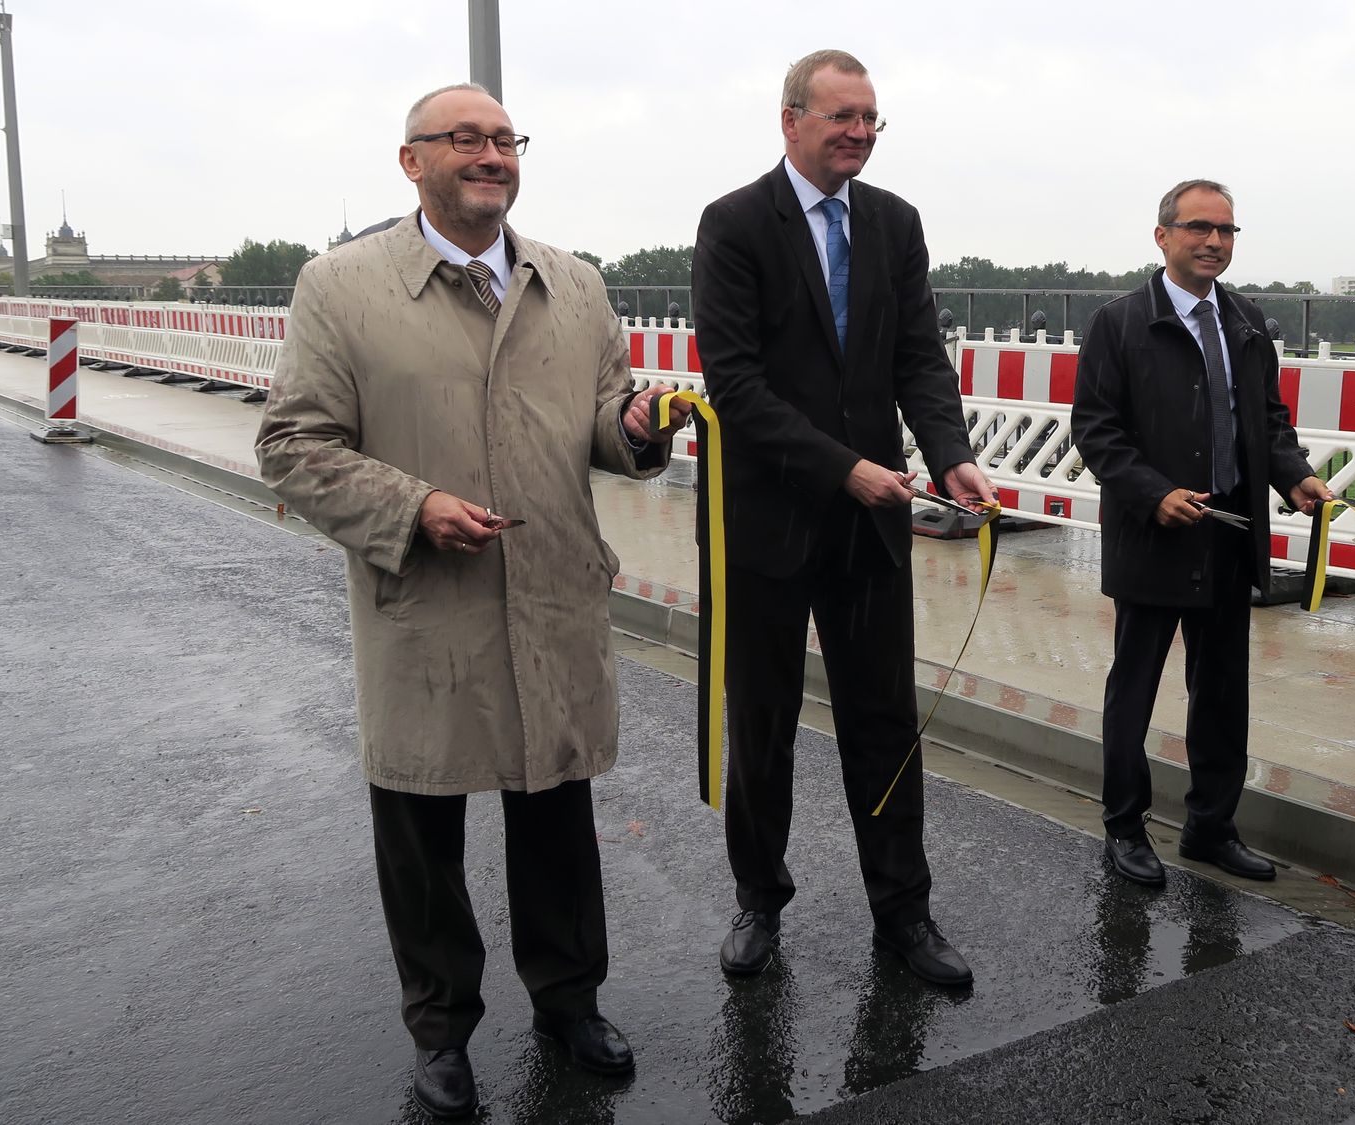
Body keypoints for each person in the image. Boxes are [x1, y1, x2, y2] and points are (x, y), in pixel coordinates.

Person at [255, 82, 692, 1120]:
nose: (489, 154)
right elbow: (291, 445)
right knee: (421, 830)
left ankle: (568, 1003)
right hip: (427, 601)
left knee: (556, 816)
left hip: (549, 595)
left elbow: (602, 430)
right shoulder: (343, 287)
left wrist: (636, 426)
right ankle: (441, 1031)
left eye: (503, 139)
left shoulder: (573, 285)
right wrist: (415, 508)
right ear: (411, 162)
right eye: (464, 139)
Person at [691, 49, 995, 988]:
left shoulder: (895, 224)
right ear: (791, 121)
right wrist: (847, 470)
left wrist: (949, 451)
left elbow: (918, 357)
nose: (859, 133)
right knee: (765, 729)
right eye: (841, 118)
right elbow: (735, 387)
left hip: (870, 530)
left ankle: (904, 913)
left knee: (885, 724)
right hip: (766, 529)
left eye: (871, 119)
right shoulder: (734, 225)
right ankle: (759, 901)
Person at [1069, 179, 1332, 889]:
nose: (1214, 242)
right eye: (1198, 228)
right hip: (1153, 536)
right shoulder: (1120, 322)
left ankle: (1211, 826)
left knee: (1221, 692)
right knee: (1136, 688)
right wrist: (1153, 495)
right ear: (1163, 236)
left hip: (1227, 533)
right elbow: (1096, 430)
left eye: (1226, 230)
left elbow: (1267, 421)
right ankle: (1125, 827)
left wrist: (1294, 475)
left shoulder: (1245, 321)